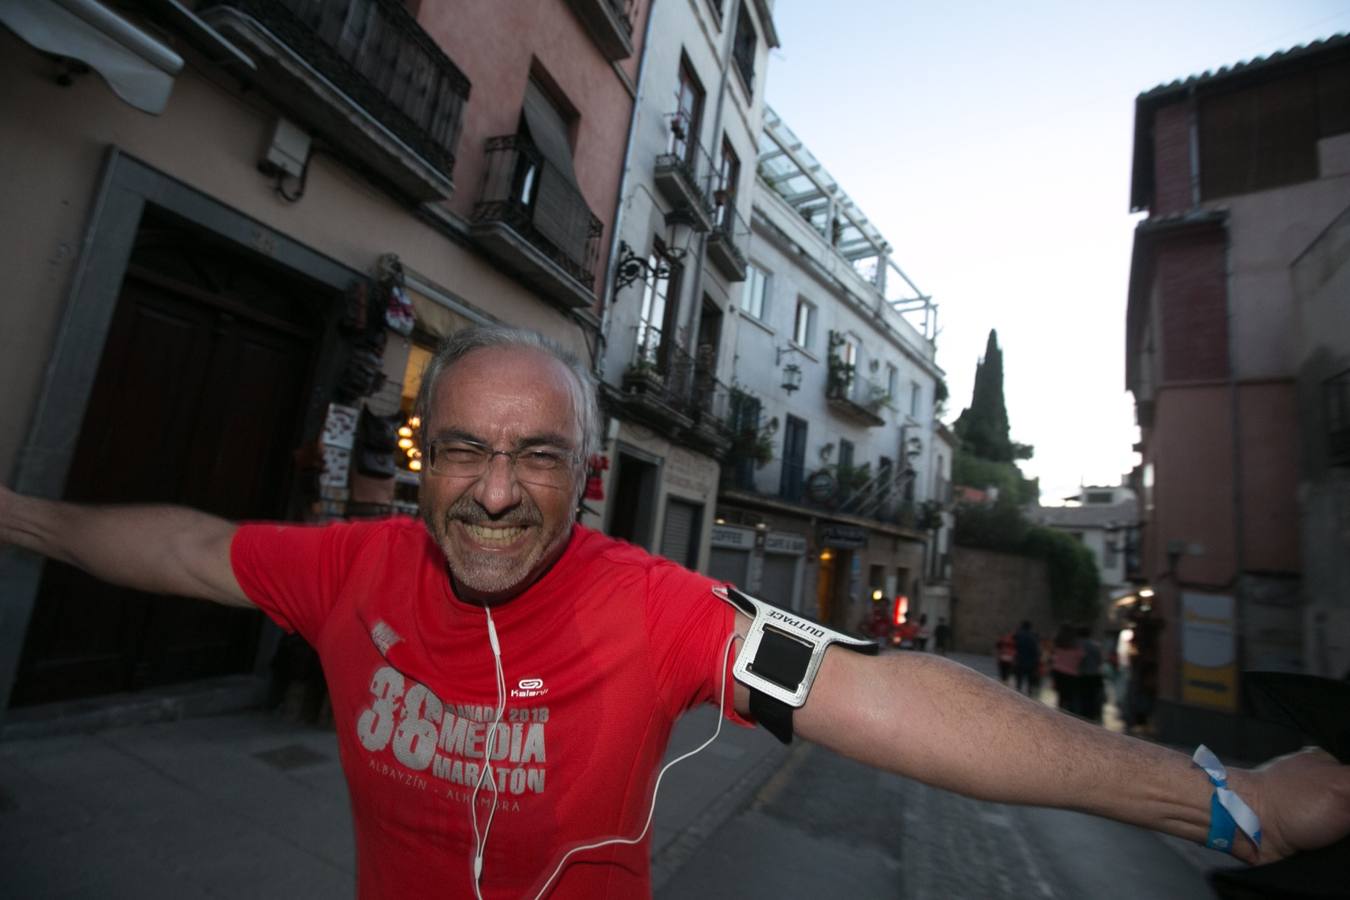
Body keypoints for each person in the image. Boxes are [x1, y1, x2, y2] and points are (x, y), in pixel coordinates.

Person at [2, 326, 1348, 898]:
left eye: (535, 457)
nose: (491, 493)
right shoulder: (349, 573)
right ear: (422, 458)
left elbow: (879, 694)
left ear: (586, 481)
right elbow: (186, 546)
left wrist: (1217, 802)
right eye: (464, 449)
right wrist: (18, 516)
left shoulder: (653, 607)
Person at [1012, 619, 1040, 696]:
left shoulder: (1019, 635)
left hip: (1020, 660)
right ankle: (1029, 697)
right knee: (1030, 684)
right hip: (1031, 662)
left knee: (1018, 683)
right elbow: (1036, 651)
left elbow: (1014, 641)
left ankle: (1017, 696)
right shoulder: (1034, 637)